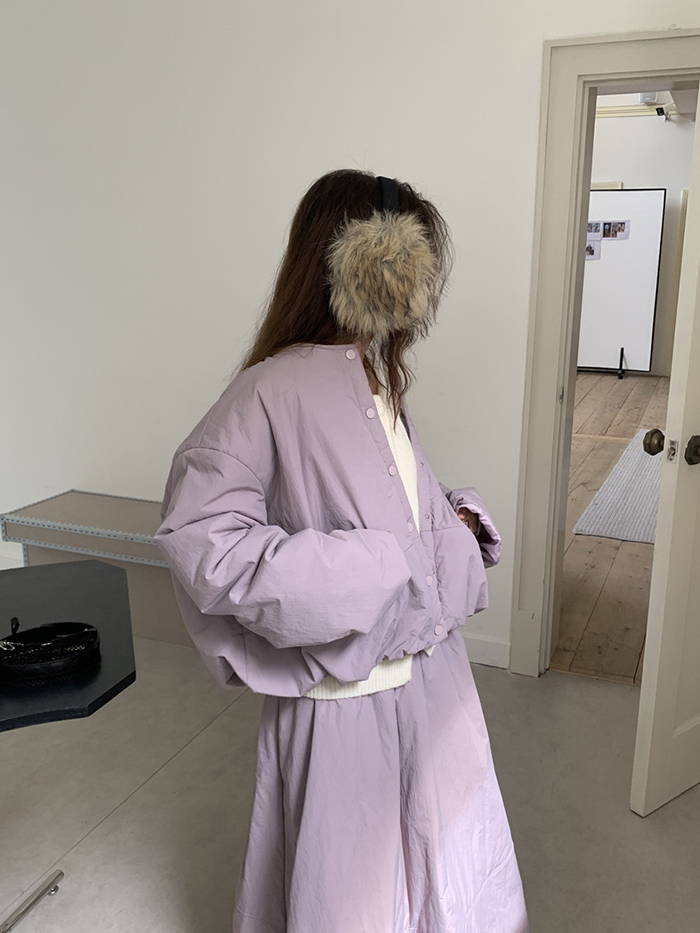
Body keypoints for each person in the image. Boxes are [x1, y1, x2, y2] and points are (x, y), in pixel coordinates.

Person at [155, 169, 529, 932]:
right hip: (346, 704)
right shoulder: (269, 391)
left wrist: (453, 518)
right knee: (353, 892)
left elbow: (389, 500)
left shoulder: (377, 380)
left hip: (437, 684)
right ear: (358, 259)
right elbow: (206, 541)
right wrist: (375, 567)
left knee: (451, 867)